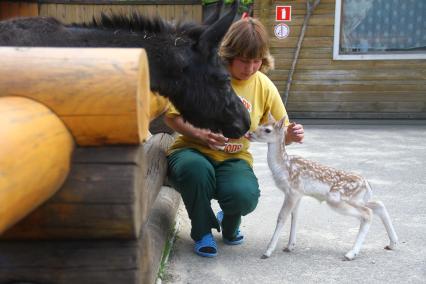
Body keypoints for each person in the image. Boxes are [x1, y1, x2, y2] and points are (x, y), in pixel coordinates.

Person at [164, 17, 304, 258]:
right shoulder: (205, 75)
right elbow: (171, 116)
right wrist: (200, 134)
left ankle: (229, 222)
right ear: (228, 54)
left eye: (256, 61)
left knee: (243, 195)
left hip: (234, 157)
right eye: (243, 61)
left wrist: (290, 135)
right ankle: (202, 231)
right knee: (195, 170)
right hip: (191, 150)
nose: (250, 68)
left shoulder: (264, 85)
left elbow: (281, 134)